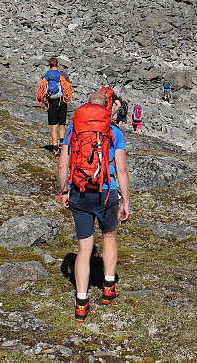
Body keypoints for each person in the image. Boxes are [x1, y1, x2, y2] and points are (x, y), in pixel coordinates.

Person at [57, 92, 130, 322]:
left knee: (84, 248)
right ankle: (108, 288)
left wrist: (65, 190)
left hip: (79, 192)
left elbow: (62, 164)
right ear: (106, 108)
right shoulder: (113, 131)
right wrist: (126, 201)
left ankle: (81, 303)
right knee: (108, 235)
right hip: (106, 192)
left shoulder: (73, 130)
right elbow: (122, 170)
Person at [36, 58, 73, 147]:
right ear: (58, 65)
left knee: (53, 126)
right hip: (62, 101)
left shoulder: (46, 76)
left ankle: (55, 147)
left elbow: (42, 90)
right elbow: (68, 89)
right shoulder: (63, 75)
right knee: (62, 124)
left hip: (51, 102)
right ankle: (62, 143)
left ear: (49, 66)